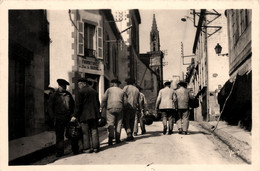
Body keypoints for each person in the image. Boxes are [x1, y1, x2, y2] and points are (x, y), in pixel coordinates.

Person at [71, 78, 101, 153]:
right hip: (94, 115)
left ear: (83, 83)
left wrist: (74, 116)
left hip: (84, 116)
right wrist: (99, 116)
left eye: (79, 84)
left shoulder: (80, 92)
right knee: (94, 131)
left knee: (85, 132)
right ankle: (96, 147)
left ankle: (87, 148)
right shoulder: (94, 91)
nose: (78, 86)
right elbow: (98, 104)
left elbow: (78, 105)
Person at [48, 79, 76, 157]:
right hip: (59, 118)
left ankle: (75, 149)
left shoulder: (68, 95)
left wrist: (73, 115)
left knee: (71, 134)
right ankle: (60, 152)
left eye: (65, 86)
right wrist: (53, 118)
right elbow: (50, 108)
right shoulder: (53, 95)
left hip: (68, 118)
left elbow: (73, 106)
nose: (64, 88)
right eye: (62, 86)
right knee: (59, 136)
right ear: (59, 86)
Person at [100, 79, 127, 145]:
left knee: (110, 123)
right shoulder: (122, 91)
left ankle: (110, 139)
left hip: (110, 108)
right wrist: (123, 107)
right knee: (119, 124)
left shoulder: (109, 90)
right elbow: (125, 102)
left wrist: (101, 107)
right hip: (119, 108)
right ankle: (117, 139)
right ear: (118, 84)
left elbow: (104, 99)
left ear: (113, 83)